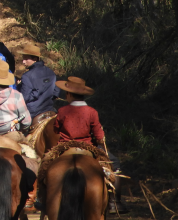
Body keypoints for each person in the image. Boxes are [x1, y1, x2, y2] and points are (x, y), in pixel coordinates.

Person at [51, 77, 127, 213]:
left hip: (65, 147)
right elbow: (98, 136)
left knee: (46, 165)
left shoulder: (62, 111)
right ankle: (114, 202)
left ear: (69, 94)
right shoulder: (92, 112)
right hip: (87, 146)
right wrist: (100, 138)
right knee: (114, 163)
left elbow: (56, 129)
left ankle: (43, 198)